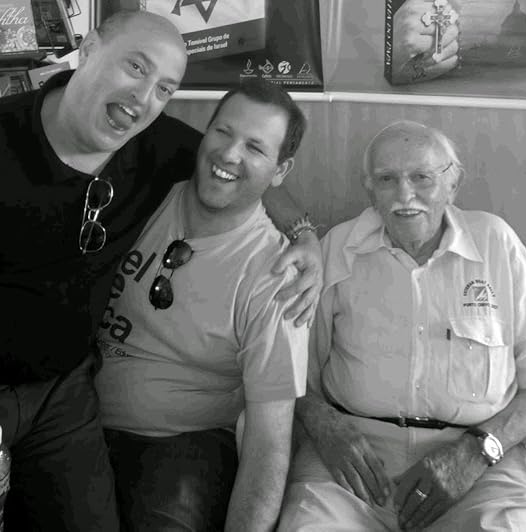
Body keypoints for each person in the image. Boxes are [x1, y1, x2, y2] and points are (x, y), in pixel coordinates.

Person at [0, 10, 322, 531]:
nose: (143, 96)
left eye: (165, 89)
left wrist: (305, 235)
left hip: (100, 415)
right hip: (65, 403)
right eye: (135, 66)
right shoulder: (148, 171)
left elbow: (269, 442)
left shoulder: (154, 148)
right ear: (88, 50)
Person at [278, 121, 526, 531]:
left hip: (480, 464)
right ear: (369, 190)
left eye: (422, 177)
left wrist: (476, 451)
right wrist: (324, 425)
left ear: (453, 184)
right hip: (353, 461)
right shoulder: (337, 250)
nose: (404, 195)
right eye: (387, 179)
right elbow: (288, 371)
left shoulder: (497, 245)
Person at [95, 79, 309, 532]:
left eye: (255, 147)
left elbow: (269, 444)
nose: (229, 154)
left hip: (183, 449)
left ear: (281, 170)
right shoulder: (144, 193)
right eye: (222, 132)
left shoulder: (276, 278)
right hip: (75, 423)